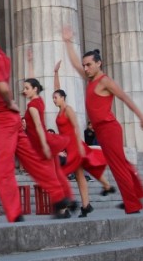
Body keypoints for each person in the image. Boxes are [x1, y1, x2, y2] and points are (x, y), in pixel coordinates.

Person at [0, 2, 70, 222]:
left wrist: (10, 101)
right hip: (13, 122)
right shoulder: (0, 56)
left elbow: (2, 87)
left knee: (3, 170)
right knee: (33, 162)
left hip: (2, 121)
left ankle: (14, 213)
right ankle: (59, 197)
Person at [63, 26, 143, 214]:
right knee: (122, 164)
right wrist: (68, 42)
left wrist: (142, 117)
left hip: (109, 128)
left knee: (118, 166)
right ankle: (137, 195)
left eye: (89, 65)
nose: (85, 68)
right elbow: (74, 64)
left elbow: (125, 98)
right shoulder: (90, 80)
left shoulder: (105, 81)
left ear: (98, 63)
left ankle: (133, 204)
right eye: (85, 65)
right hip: (101, 130)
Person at [53, 60, 115, 218]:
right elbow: (57, 89)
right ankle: (86, 205)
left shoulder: (68, 110)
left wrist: (79, 147)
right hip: (68, 146)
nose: (54, 100)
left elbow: (76, 127)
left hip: (74, 145)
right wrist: (55, 73)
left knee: (61, 173)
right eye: (53, 98)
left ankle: (64, 208)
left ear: (62, 98)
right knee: (80, 175)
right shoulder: (60, 109)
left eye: (56, 98)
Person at [22, 49, 73, 218]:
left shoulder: (32, 106)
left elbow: (37, 125)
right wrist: (30, 63)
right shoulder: (38, 100)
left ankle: (62, 204)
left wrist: (44, 146)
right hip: (45, 141)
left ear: (34, 89)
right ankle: (65, 206)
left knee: (49, 175)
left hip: (41, 142)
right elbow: (32, 82)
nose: (24, 90)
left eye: (27, 88)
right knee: (56, 173)